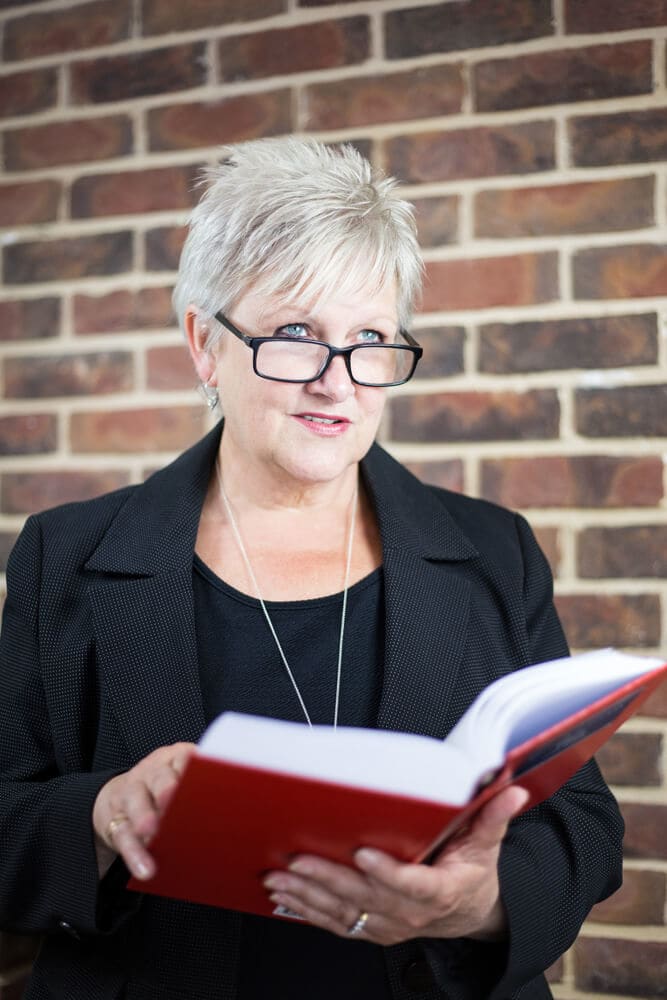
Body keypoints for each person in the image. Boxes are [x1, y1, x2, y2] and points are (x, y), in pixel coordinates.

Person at [0, 137, 623, 1000]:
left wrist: (478, 903)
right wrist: (101, 819)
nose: (339, 383)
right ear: (203, 344)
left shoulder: (495, 552)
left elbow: (583, 829)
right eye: (296, 333)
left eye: (368, 338)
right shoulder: (63, 557)